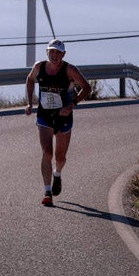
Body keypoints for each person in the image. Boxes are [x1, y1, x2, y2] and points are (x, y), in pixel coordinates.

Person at [25, 39, 90, 206]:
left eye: (58, 52)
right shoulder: (39, 67)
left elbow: (86, 87)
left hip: (63, 117)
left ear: (63, 54)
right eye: (52, 51)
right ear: (47, 52)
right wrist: (30, 102)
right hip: (45, 115)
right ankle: (47, 192)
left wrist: (71, 105)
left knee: (60, 157)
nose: (54, 55)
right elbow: (30, 79)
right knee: (47, 153)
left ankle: (57, 174)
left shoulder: (70, 70)